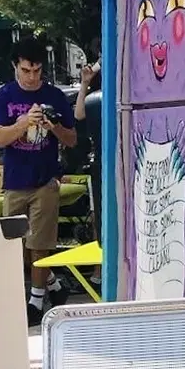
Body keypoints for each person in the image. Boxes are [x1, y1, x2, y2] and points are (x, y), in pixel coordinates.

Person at [0, 36, 78, 324]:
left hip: (45, 179)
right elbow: (1, 138)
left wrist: (53, 126)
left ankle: (36, 299)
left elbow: (72, 139)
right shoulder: (5, 96)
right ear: (15, 67)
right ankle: (53, 285)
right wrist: (23, 122)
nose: (31, 77)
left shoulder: (54, 96)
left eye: (37, 71)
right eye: (26, 70)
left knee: (39, 243)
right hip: (15, 180)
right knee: (16, 243)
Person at [74, 59, 104, 242]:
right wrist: (85, 83)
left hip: (103, 165)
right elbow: (79, 115)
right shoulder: (95, 101)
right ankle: (98, 270)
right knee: (98, 217)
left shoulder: (97, 101)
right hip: (101, 165)